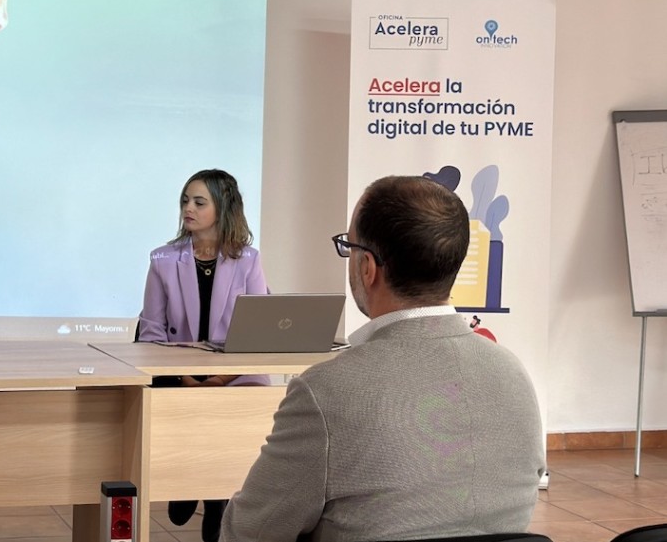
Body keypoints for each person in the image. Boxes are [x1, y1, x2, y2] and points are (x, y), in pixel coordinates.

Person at [220, 175, 545, 542]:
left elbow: (249, 532)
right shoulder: (514, 374)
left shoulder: (325, 391)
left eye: (349, 247)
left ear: (367, 268)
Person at [137, 168, 268, 542]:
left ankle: (214, 500)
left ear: (223, 207)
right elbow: (151, 333)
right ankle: (188, 482)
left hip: (236, 375)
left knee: (231, 446)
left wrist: (223, 377)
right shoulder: (163, 260)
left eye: (198, 202)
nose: (187, 209)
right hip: (180, 374)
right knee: (184, 405)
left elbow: (259, 328)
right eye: (184, 200)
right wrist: (183, 376)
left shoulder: (249, 260)